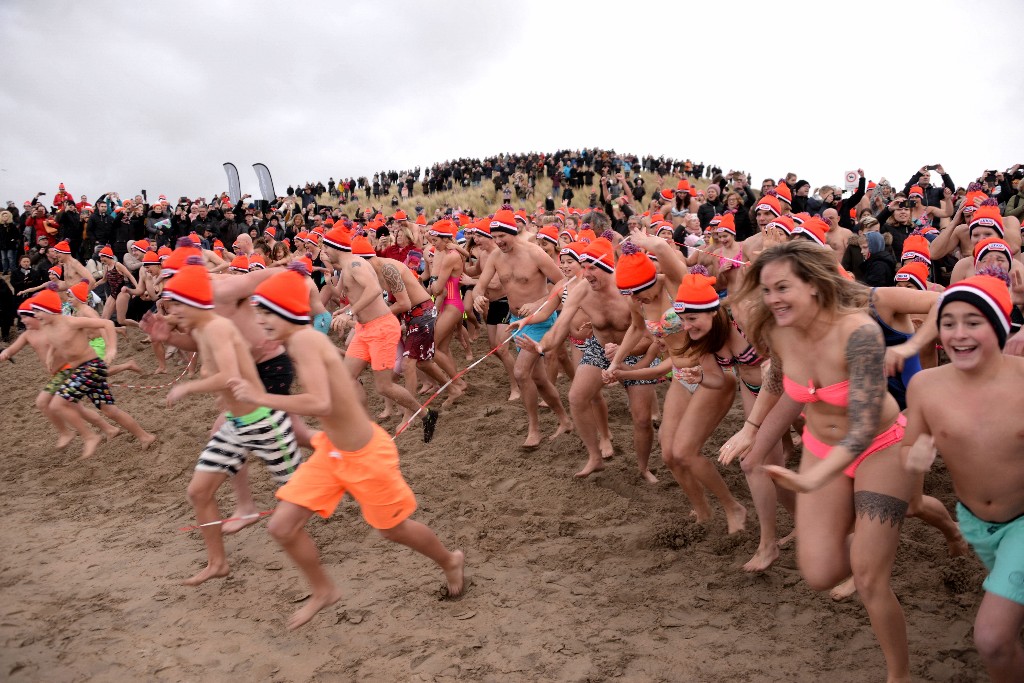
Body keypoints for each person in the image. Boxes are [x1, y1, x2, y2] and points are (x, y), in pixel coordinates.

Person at [225, 267, 465, 629]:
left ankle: (450, 560)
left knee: (393, 530)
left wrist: (261, 397)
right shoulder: (296, 340)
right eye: (258, 311)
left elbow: (321, 402)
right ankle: (323, 590)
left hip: (365, 454)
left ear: (288, 312)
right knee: (282, 527)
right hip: (331, 453)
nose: (261, 319)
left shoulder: (305, 341)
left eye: (267, 312)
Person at [725, 240, 915, 682]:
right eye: (767, 289)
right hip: (821, 445)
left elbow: (865, 425)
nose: (772, 298)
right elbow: (779, 375)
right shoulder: (777, 329)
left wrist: (812, 482)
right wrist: (751, 429)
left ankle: (898, 675)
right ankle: (870, 545)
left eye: (783, 287)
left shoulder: (858, 333)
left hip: (880, 446)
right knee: (819, 572)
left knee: (869, 580)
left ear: (812, 285)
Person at [903, 275, 1024, 682]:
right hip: (975, 523)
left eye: (973, 322)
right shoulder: (924, 386)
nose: (958, 334)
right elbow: (909, 448)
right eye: (948, 322)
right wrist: (914, 456)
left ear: (1000, 326)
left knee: (991, 638)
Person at [161, 262, 301, 587]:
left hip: (264, 420)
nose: (171, 310)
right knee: (198, 492)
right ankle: (217, 563)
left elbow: (229, 376)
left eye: (177, 304)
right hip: (237, 425)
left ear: (196, 302)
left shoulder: (219, 327)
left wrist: (188, 386)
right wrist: (166, 332)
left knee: (296, 497)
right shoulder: (201, 329)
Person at [532, 237, 658, 481]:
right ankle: (594, 457)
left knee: (642, 418)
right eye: (585, 267)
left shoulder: (629, 290)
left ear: (610, 269)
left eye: (593, 268)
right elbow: (559, 328)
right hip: (599, 347)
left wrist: (625, 353)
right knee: (577, 397)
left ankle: (643, 468)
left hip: (637, 349)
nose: (587, 274)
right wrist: (540, 345)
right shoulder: (581, 290)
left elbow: (650, 336)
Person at [320, 226, 439, 442]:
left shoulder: (356, 264)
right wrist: (344, 307)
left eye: (326, 246)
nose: (323, 251)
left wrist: (350, 312)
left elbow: (374, 290)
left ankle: (425, 414)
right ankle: (364, 427)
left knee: (384, 386)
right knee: (347, 378)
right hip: (364, 329)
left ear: (335, 247)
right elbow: (350, 295)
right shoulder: (347, 268)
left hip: (381, 328)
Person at [471, 208, 572, 449]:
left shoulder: (535, 253)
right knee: (538, 379)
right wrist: (477, 297)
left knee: (520, 372)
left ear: (513, 232)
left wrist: (539, 303)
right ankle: (564, 419)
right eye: (494, 238)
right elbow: (480, 285)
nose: (498, 242)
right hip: (517, 322)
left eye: (501, 237)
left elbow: (562, 280)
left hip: (539, 320)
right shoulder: (496, 257)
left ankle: (534, 429)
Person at [23, 287, 155, 459]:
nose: (36, 315)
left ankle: (90, 436)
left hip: (91, 366)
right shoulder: (48, 326)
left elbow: (106, 324)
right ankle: (145, 436)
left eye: (39, 311)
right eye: (34, 311)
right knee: (109, 410)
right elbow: (56, 341)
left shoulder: (70, 321)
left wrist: (111, 348)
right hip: (81, 369)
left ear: (51, 310)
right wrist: (49, 355)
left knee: (58, 404)